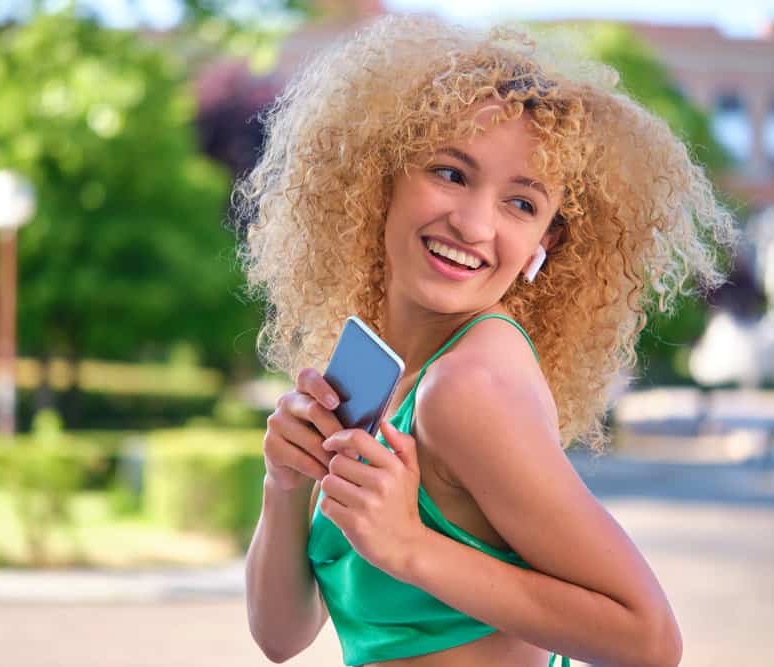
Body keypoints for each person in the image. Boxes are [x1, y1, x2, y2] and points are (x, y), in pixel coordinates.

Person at [239, 13, 736, 667]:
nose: (474, 224)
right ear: (382, 175)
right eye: (450, 173)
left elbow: (649, 639)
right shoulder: (380, 370)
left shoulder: (468, 388)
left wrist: (413, 548)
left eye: (522, 204)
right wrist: (284, 485)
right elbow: (282, 636)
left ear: (544, 245)